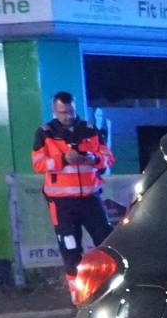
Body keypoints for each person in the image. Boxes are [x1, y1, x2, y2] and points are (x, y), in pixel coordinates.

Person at [30, 92, 115, 270]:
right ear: (53, 110)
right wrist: (63, 159)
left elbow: (108, 157)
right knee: (70, 251)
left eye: (71, 112)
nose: (68, 116)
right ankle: (77, 294)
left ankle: (108, 287)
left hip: (90, 199)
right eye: (63, 112)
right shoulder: (45, 133)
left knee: (108, 245)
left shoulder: (90, 129)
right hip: (62, 203)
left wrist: (93, 159)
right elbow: (38, 164)